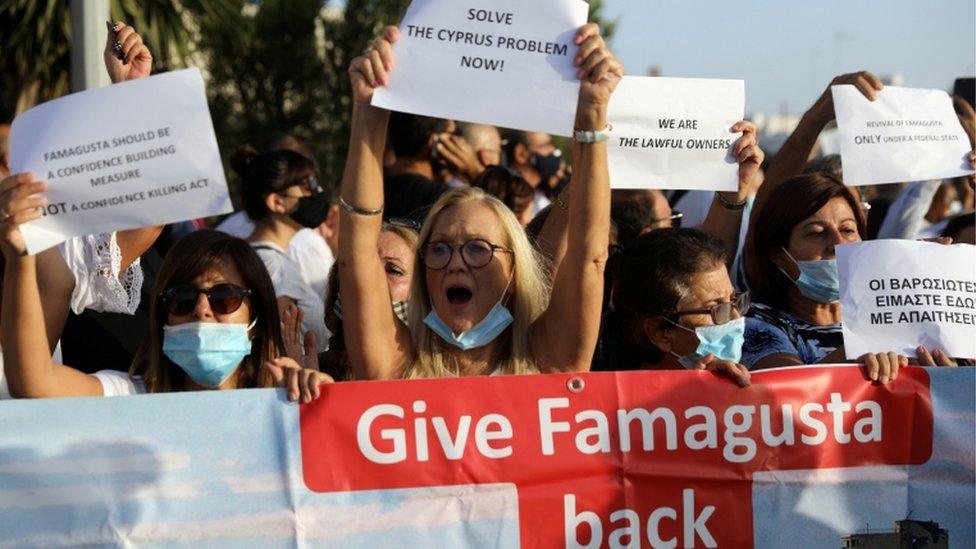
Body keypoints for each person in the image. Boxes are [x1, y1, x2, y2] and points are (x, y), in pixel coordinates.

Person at [338, 23, 620, 379]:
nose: (455, 263)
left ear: (515, 272)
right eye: (439, 249)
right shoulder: (397, 366)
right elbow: (357, 255)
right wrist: (368, 110)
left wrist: (593, 114)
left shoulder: (548, 359)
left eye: (477, 248)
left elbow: (589, 256)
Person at [0, 175, 331, 401]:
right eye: (182, 299)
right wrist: (21, 257)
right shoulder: (133, 396)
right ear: (164, 319)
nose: (202, 309)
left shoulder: (283, 397)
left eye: (224, 298)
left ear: (255, 319)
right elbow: (33, 382)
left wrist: (323, 400)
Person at [741, 172, 956, 378]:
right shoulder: (757, 324)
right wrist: (864, 348)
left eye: (848, 230)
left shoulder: (903, 317)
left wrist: (952, 373)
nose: (837, 244)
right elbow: (784, 390)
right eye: (816, 233)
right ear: (778, 254)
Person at [611, 228, 751, 386]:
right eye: (716, 308)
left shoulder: (744, 388)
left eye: (734, 300)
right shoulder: (617, 404)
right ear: (660, 332)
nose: (736, 317)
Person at [235, 148, 329, 351]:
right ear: (277, 202)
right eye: (308, 186)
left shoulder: (253, 256)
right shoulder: (274, 267)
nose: (318, 192)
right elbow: (279, 347)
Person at [321, 220, 419, 380]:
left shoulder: (440, 373)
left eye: (393, 270)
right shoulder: (316, 372)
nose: (373, 280)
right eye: (359, 267)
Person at [383, 112, 451, 220]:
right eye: (451, 134)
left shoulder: (375, 187)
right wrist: (474, 171)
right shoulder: (443, 198)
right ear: (433, 141)